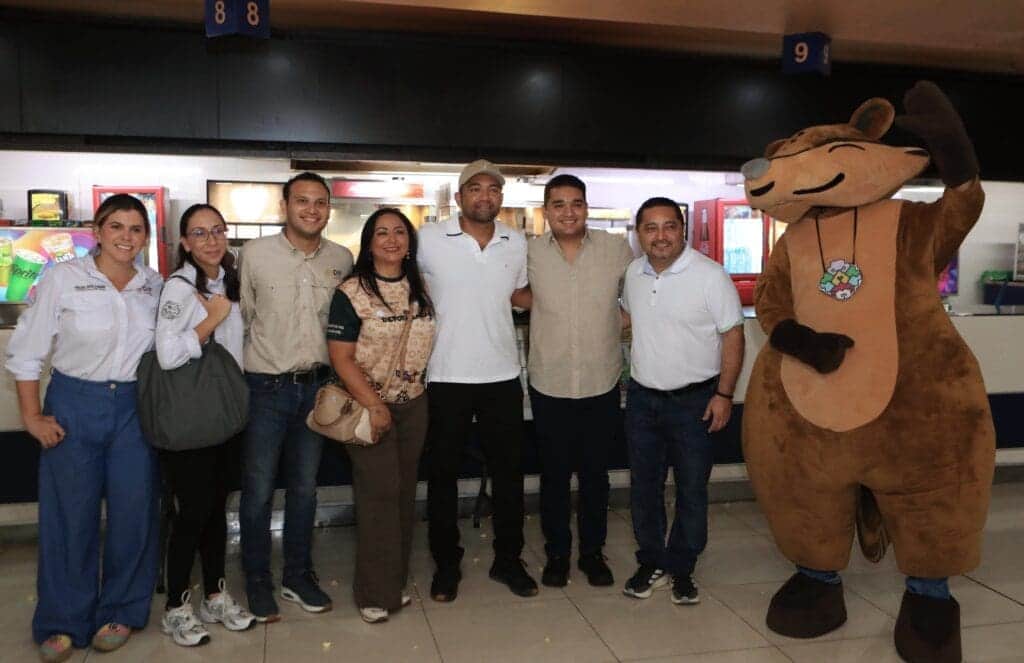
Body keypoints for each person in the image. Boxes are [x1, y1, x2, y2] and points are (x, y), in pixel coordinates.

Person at [6, 194, 163, 661]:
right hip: (75, 402)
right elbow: (27, 351)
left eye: (136, 229)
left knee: (134, 513)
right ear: (97, 231)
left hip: (135, 408)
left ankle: (121, 609)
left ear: (146, 238)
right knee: (69, 517)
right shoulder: (64, 279)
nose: (126, 237)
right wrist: (32, 416)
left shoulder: (154, 286)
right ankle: (61, 619)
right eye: (117, 227)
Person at [418, 159, 537, 601]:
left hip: (502, 375)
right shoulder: (428, 239)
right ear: (458, 197)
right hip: (444, 374)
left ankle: (509, 560)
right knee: (443, 475)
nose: (484, 196)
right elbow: (409, 288)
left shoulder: (517, 241)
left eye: (493, 189)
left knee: (509, 475)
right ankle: (445, 565)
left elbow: (520, 295)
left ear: (501, 198)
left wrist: (568, 299)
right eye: (475, 189)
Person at [238, 172, 354, 622]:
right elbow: (245, 316)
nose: (312, 209)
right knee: (258, 491)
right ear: (284, 205)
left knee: (305, 490)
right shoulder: (254, 254)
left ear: (329, 208)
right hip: (265, 388)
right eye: (302, 201)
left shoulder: (341, 259)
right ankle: (257, 580)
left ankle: (297, 576)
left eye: (320, 202)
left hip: (319, 390)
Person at [620, 197, 744, 605]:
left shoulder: (710, 275)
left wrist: (724, 394)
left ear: (683, 230)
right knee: (645, 487)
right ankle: (652, 559)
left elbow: (733, 336)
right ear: (639, 234)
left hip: (696, 401)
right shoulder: (633, 275)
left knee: (692, 487)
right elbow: (631, 320)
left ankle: (683, 566)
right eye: (651, 227)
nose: (660, 235)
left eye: (669, 226)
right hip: (642, 399)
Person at [523, 174, 634, 588]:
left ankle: (591, 554)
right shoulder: (529, 252)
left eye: (576, 203)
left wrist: (618, 321)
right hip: (549, 380)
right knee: (553, 475)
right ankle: (556, 555)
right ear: (546, 210)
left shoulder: (614, 248)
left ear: (586, 207)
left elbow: (639, 294)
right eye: (558, 204)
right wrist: (546, 310)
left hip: (600, 379)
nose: (568, 212)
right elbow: (515, 294)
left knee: (595, 475)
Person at [325, 208, 436, 623]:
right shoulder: (351, 292)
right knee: (378, 497)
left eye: (400, 232)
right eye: (382, 233)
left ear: (409, 241)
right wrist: (374, 404)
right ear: (368, 242)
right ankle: (372, 592)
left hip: (415, 405)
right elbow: (341, 357)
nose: (392, 239)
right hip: (367, 407)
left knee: (404, 494)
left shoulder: (420, 287)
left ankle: (393, 583)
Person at [154, 204, 255, 646]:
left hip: (223, 415)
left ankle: (214, 594)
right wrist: (212, 320)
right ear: (185, 242)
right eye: (200, 233)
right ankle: (176, 606)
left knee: (216, 509)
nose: (211, 240)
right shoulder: (180, 288)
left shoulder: (223, 281)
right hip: (191, 417)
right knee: (192, 513)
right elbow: (167, 354)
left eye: (217, 231)